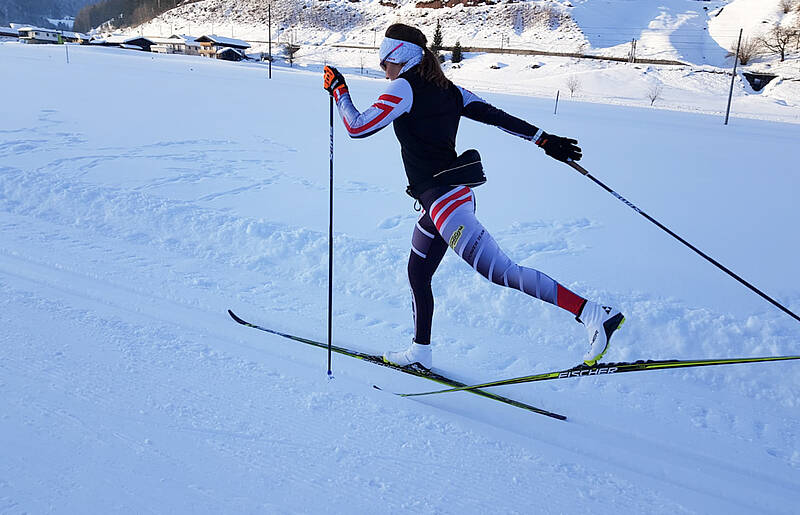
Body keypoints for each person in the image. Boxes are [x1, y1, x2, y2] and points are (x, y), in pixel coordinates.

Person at [322, 23, 624, 371]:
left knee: (502, 272)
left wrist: (339, 91)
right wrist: (543, 139)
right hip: (447, 200)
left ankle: (591, 312)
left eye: (384, 60)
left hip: (447, 204)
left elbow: (358, 126)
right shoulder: (449, 90)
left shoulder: (405, 88)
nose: (382, 68)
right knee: (418, 273)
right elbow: (496, 116)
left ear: (399, 57)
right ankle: (421, 351)